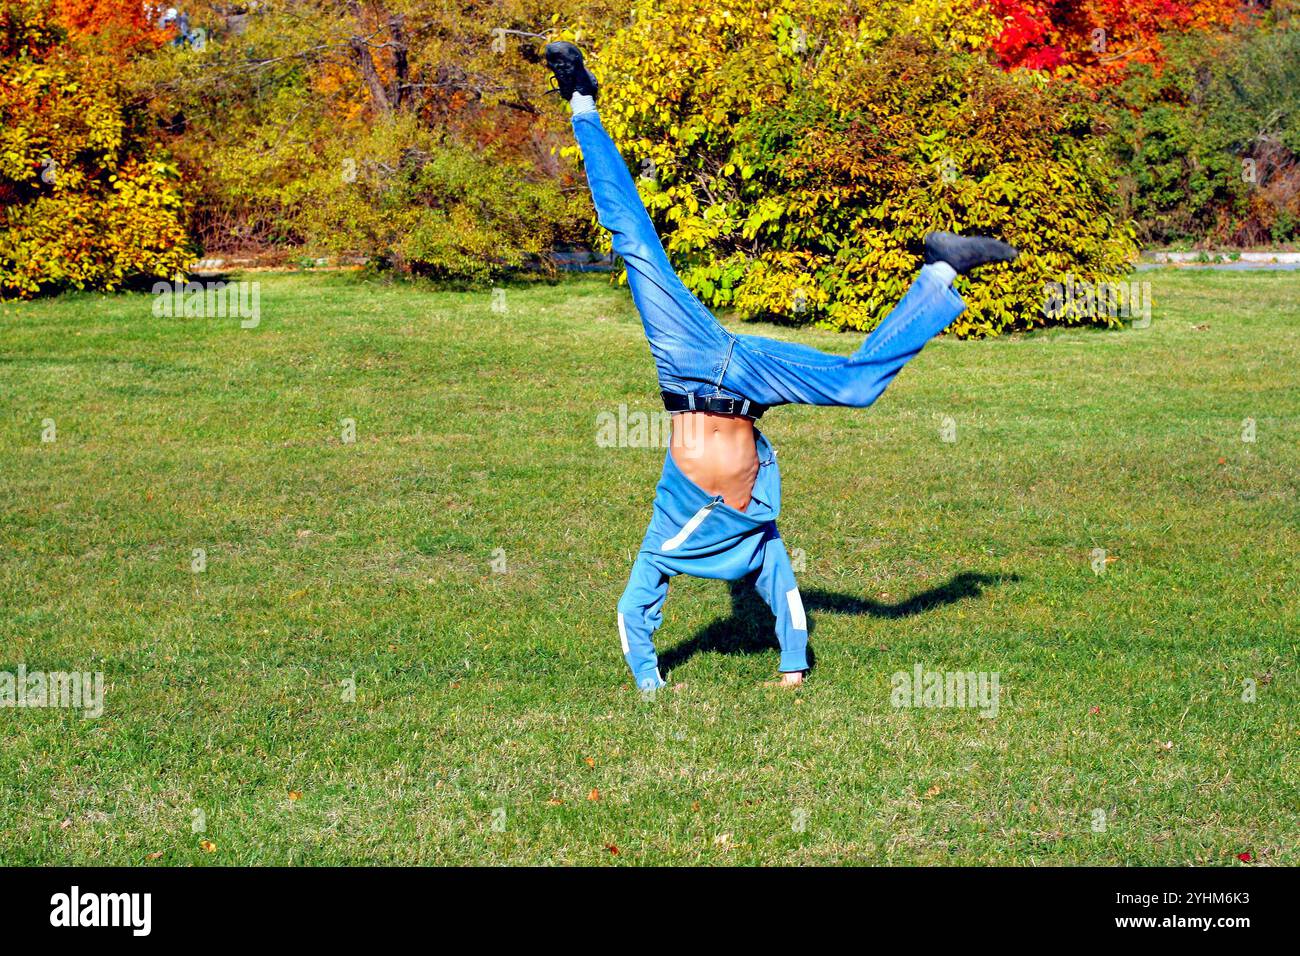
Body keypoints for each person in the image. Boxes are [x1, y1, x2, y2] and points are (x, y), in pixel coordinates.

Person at [544, 42, 1018, 690]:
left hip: (685, 367)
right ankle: (942, 268)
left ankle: (580, 102)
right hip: (746, 378)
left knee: (634, 241)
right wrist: (793, 666)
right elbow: (785, 597)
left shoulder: (662, 542)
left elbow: (632, 614)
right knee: (855, 386)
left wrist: (649, 684)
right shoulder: (756, 537)